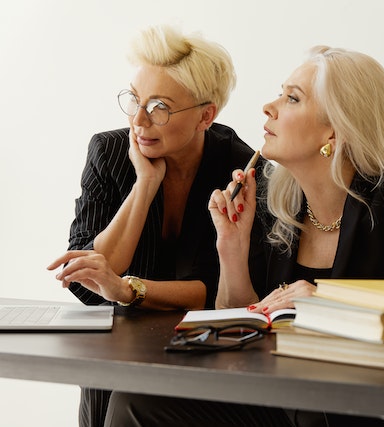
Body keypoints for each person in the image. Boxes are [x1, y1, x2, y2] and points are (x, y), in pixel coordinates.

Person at [104, 46, 384, 427]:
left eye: (292, 98)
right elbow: (240, 321)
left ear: (334, 129)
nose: (268, 107)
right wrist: (232, 251)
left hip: (351, 408)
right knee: (136, 400)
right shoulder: (274, 197)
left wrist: (327, 303)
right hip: (279, 401)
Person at [47, 25, 263, 427]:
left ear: (206, 116)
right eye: (134, 100)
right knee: (104, 385)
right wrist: (144, 187)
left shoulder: (238, 167)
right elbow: (88, 282)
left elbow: (216, 290)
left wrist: (129, 290)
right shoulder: (109, 151)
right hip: (122, 339)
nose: (140, 120)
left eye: (160, 106)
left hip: (203, 344)